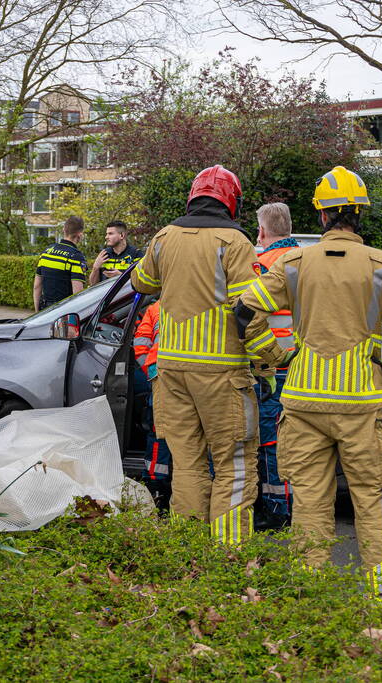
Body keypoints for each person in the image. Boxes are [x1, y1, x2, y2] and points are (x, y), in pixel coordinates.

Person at [234, 165, 382, 619]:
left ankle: (311, 598)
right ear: (360, 214)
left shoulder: (292, 263)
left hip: (304, 402)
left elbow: (243, 311)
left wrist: (276, 357)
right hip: (361, 406)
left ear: (322, 215)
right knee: (374, 499)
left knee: (309, 501)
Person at [131, 164, 282, 545]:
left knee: (187, 464)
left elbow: (142, 282)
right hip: (221, 374)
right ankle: (227, 555)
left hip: (171, 372)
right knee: (235, 464)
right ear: (233, 201)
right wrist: (272, 358)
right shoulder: (235, 242)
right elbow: (249, 309)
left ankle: (188, 551)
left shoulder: (164, 236)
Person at [251, 202, 300, 530]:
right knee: (296, 437)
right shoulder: (307, 259)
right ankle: (293, 502)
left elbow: (249, 315)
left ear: (262, 232)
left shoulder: (261, 264)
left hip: (273, 363)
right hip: (304, 363)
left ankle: (275, 507)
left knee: (269, 436)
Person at [133, 300, 172, 509]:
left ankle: (156, 490)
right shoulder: (207, 301)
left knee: (159, 435)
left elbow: (139, 347)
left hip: (162, 382)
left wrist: (152, 376)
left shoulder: (155, 308)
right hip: (198, 382)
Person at [33, 216, 88, 312]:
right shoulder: (75, 256)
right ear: (80, 235)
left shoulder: (47, 251)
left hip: (45, 311)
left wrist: (37, 313)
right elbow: (77, 293)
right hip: (64, 313)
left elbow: (37, 286)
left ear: (64, 230)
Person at [90, 221, 144, 285]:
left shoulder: (136, 254)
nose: (106, 237)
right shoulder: (104, 254)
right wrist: (95, 268)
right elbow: (93, 284)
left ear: (122, 235)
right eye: (106, 234)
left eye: (110, 234)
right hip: (107, 295)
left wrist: (120, 276)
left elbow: (141, 282)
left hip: (125, 294)